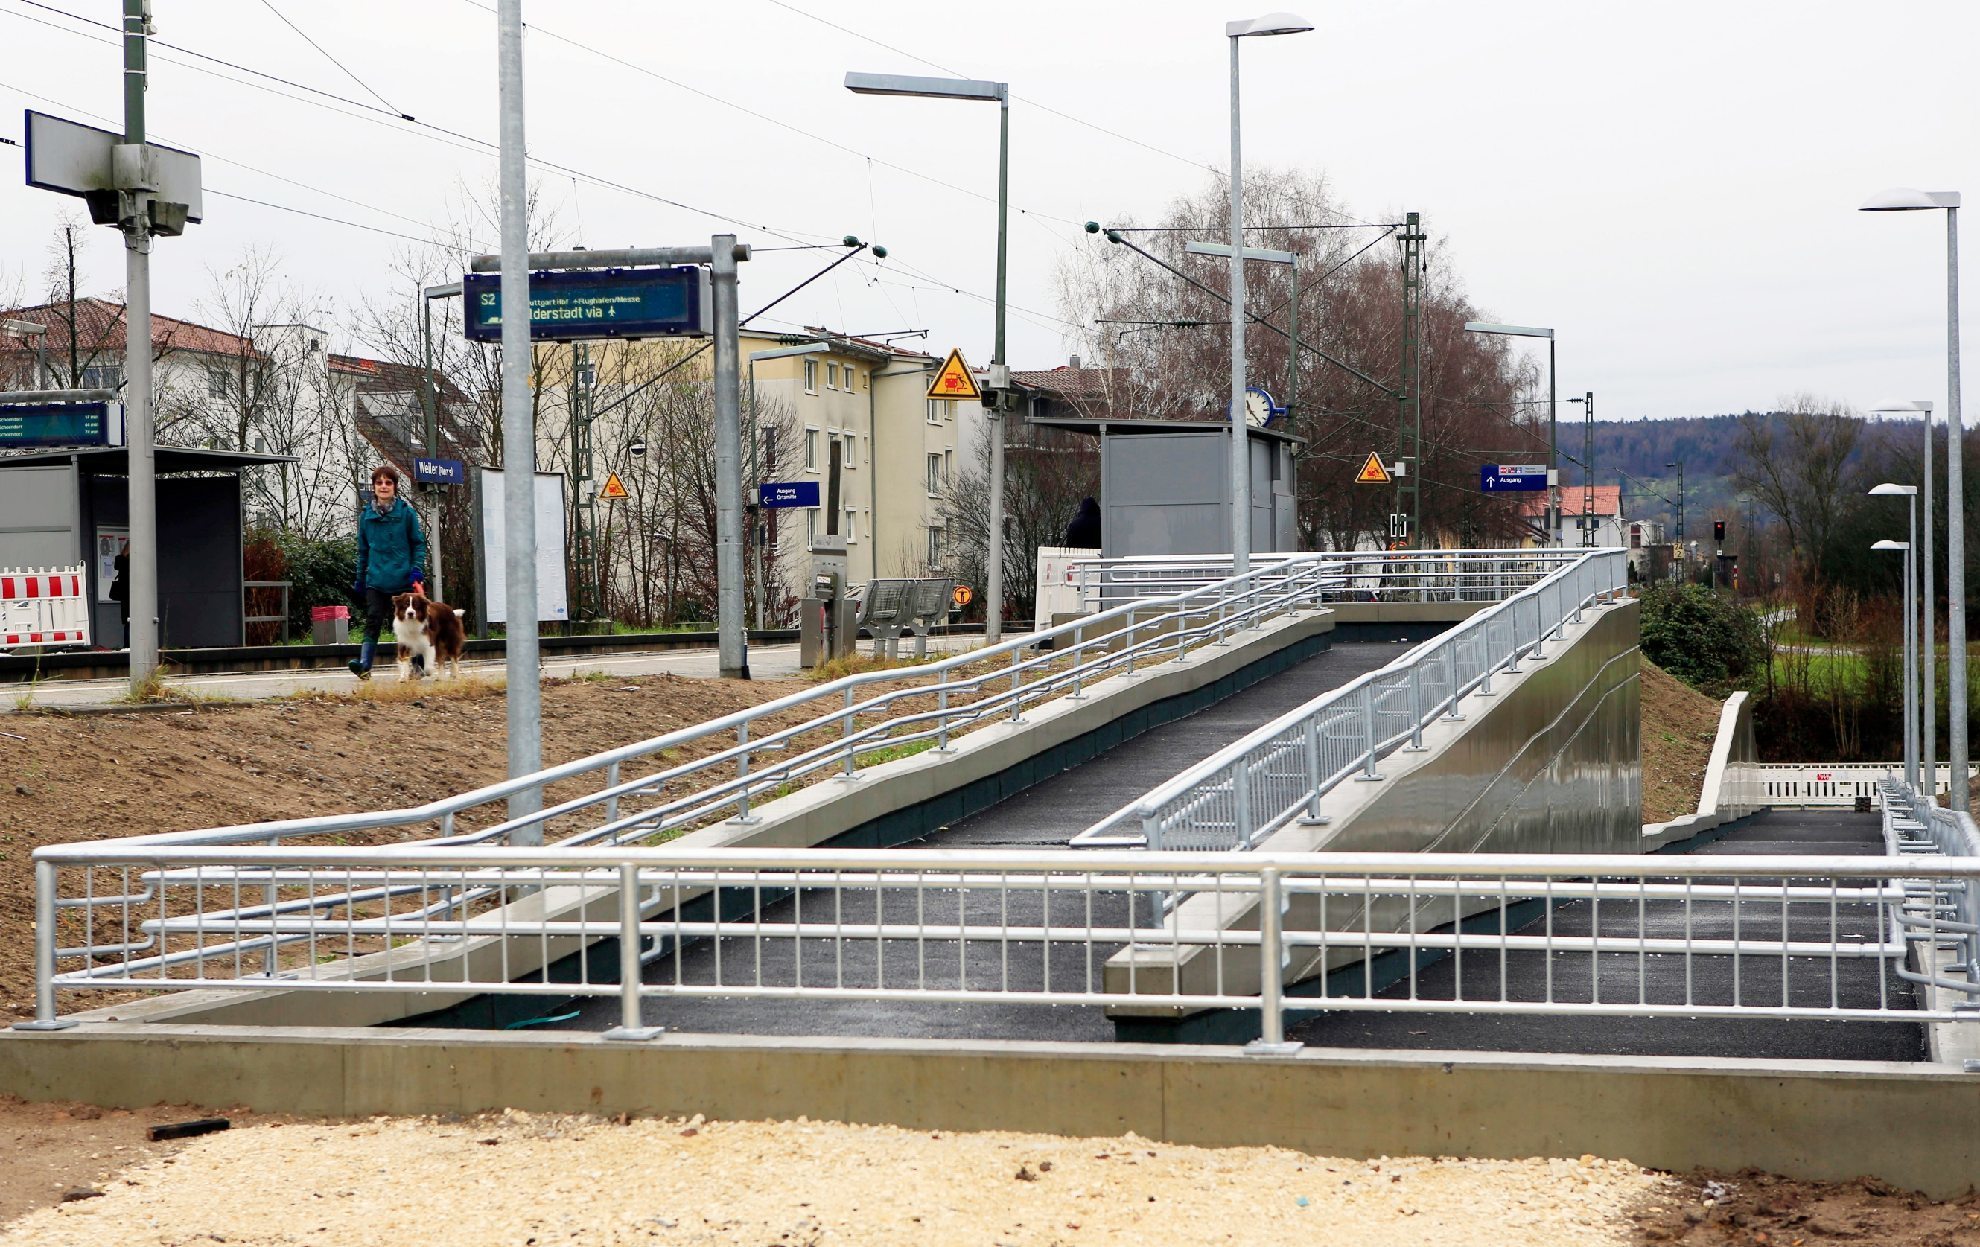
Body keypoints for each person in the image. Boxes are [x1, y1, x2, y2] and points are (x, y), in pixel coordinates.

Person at [347, 465, 427, 680]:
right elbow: (363, 551)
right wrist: (360, 578)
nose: (383, 486)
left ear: (395, 487)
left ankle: (417, 665)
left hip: (403, 579)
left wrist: (417, 569)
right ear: (374, 487)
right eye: (379, 483)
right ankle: (364, 665)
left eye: (388, 482)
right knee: (373, 619)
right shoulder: (366, 517)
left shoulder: (407, 514)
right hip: (376, 579)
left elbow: (418, 544)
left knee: (411, 624)